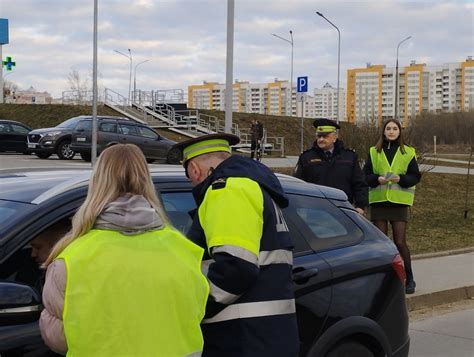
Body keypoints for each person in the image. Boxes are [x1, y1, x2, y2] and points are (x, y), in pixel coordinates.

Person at [39, 144, 209, 356]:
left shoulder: (71, 258)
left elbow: (58, 337)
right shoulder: (184, 250)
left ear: (97, 183)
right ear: (147, 181)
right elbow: (196, 314)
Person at [173, 133, 299, 357]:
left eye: (189, 177)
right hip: (266, 336)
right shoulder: (254, 187)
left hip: (240, 338)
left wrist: (190, 309)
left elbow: (235, 268)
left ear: (194, 169)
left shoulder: (227, 190)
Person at [363, 119, 420, 294]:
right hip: (379, 201)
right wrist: (376, 179)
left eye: (395, 128)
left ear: (400, 132)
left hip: (399, 202)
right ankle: (385, 280)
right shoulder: (374, 151)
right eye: (388, 128)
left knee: (400, 242)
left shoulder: (408, 152)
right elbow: (365, 175)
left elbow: (415, 176)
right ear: (383, 132)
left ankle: (409, 277)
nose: (391, 131)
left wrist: (400, 179)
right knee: (382, 243)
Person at [294, 118, 368, 214]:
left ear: (334, 137)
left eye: (325, 136)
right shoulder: (307, 157)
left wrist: (360, 206)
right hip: (315, 210)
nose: (321, 139)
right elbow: (299, 184)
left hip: (343, 209)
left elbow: (359, 183)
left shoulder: (349, 157)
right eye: (319, 136)